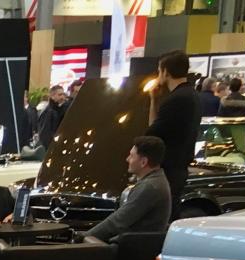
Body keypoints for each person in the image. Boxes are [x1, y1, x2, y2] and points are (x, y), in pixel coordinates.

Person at [83, 135, 171, 243]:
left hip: (132, 247)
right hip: (134, 243)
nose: (127, 159)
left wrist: (83, 236)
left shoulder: (150, 187)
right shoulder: (156, 180)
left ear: (143, 162)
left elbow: (117, 222)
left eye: (131, 156)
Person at [147, 51, 200, 204]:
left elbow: (152, 133)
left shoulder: (175, 99)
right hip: (180, 166)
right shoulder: (192, 95)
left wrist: (153, 101)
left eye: (159, 71)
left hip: (169, 168)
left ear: (166, 72)